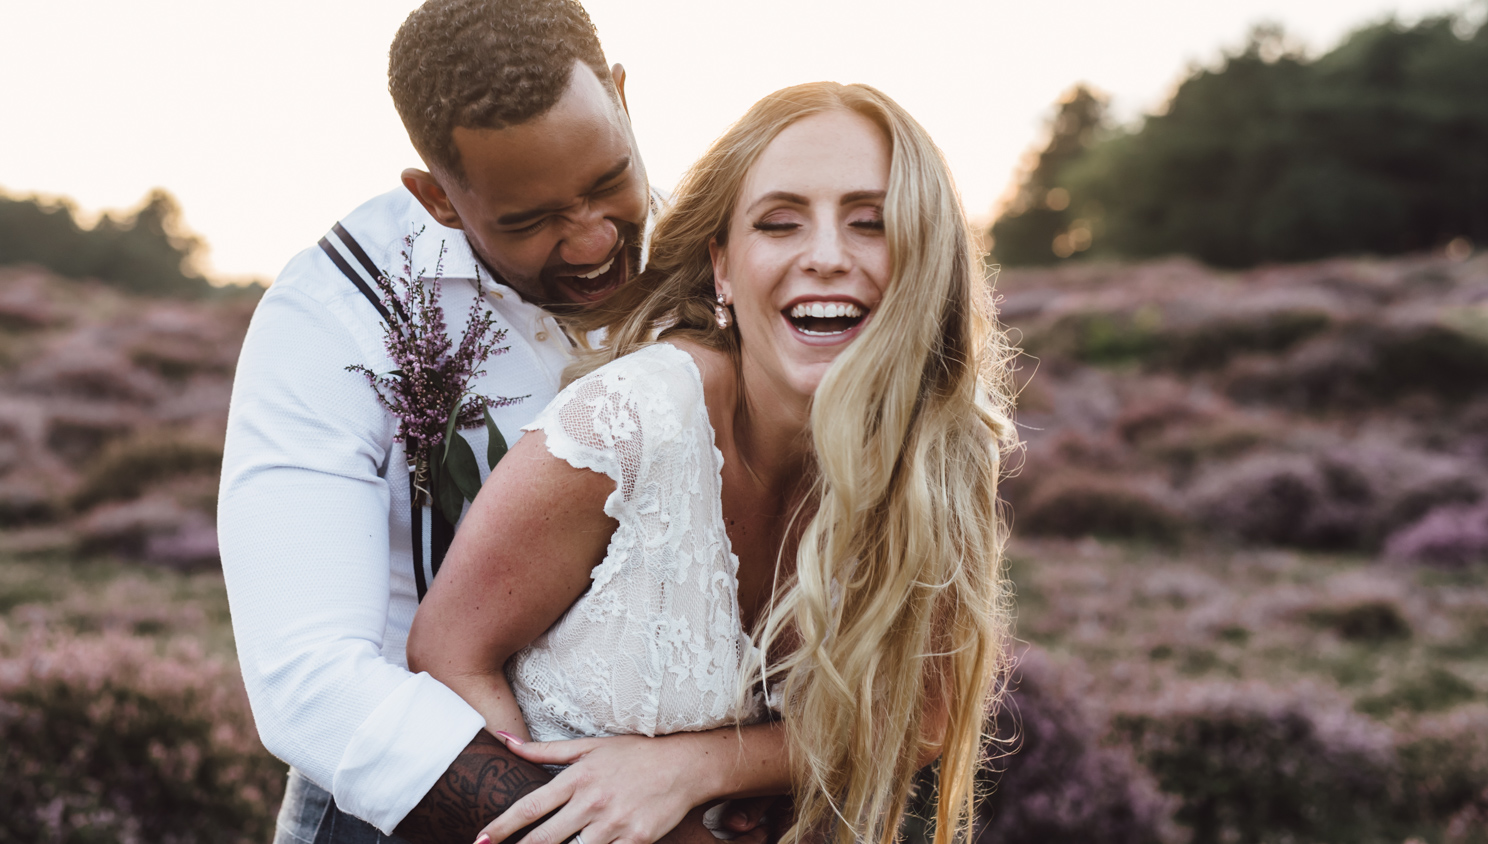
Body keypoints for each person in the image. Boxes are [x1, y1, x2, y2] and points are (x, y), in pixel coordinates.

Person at [407, 81, 1019, 844]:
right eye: (779, 222)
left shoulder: (941, 446)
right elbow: (445, 657)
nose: (826, 256)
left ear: (926, 256)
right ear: (722, 270)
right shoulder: (628, 425)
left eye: (872, 222)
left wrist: (700, 766)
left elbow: (924, 715)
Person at [218, 2, 728, 842]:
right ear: (438, 198)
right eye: (528, 222)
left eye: (608, 182)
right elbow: (310, 682)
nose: (595, 240)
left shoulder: (724, 256)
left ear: (624, 98)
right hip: (422, 804)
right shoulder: (335, 317)